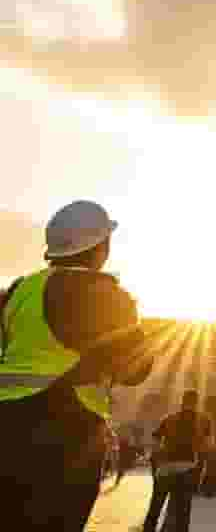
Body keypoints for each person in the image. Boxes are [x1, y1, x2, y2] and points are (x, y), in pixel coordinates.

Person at [0, 201, 154, 531]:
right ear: (101, 246)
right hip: (68, 431)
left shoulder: (19, 290)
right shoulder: (106, 294)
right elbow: (137, 369)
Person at [142, 390, 212, 532]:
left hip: (166, 468)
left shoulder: (169, 418)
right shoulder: (204, 420)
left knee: (156, 505)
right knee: (183, 510)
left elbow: (155, 441)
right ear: (196, 403)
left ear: (182, 401)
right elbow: (208, 447)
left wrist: (156, 462)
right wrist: (200, 471)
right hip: (187, 468)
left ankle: (148, 529)